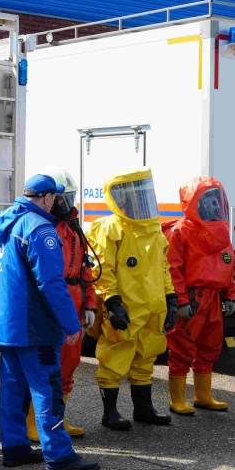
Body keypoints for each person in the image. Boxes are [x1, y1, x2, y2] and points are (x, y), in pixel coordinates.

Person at [0, 174, 100, 470]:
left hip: (6, 325)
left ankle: (15, 448)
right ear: (48, 198)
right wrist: (71, 324)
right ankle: (59, 455)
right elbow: (51, 283)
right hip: (33, 326)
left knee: (12, 390)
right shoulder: (40, 229)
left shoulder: (3, 222)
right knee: (47, 390)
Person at [88, 167, 178, 430]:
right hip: (126, 308)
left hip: (153, 307)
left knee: (145, 357)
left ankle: (143, 409)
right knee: (114, 358)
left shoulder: (154, 230)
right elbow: (102, 269)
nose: (139, 201)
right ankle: (110, 413)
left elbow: (163, 268)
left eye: (142, 194)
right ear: (118, 198)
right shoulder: (110, 228)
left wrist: (171, 298)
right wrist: (112, 303)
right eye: (132, 195)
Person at [23, 166, 94, 442]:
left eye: (72, 198)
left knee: (69, 364)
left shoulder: (73, 228)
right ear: (51, 197)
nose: (69, 204)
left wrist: (90, 305)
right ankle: (34, 423)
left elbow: (86, 270)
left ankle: (57, 421)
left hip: (73, 302)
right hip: (50, 304)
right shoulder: (41, 227)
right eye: (65, 199)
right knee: (44, 368)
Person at [163, 176, 235, 415]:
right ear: (196, 203)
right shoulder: (180, 232)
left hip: (214, 298)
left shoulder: (221, 233)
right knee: (182, 347)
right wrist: (181, 300)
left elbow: (228, 265)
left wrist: (230, 295)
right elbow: (172, 269)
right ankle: (177, 399)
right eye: (209, 201)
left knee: (210, 347)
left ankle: (203, 395)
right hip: (193, 300)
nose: (215, 206)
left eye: (218, 200)